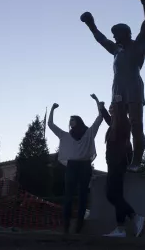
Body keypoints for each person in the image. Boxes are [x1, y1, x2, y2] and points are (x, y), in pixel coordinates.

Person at [80, 0, 145, 172]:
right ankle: (119, 160)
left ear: (125, 33)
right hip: (117, 91)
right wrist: (91, 24)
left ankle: (136, 161)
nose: (113, 36)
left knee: (136, 125)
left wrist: (144, 0)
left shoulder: (138, 44)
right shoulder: (116, 50)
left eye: (116, 33)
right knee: (117, 127)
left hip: (134, 88)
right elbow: (101, 38)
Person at [48, 98, 103, 235]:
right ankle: (66, 225)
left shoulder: (89, 133)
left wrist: (97, 101)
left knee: (83, 195)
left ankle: (79, 224)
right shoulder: (65, 135)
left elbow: (100, 118)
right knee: (68, 196)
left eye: (72, 120)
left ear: (78, 121)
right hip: (72, 166)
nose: (70, 122)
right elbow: (50, 124)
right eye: (70, 120)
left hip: (84, 166)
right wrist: (52, 109)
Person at [94, 97, 145, 238]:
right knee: (116, 196)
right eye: (110, 108)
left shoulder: (124, 122)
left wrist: (118, 99)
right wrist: (100, 106)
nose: (111, 109)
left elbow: (117, 114)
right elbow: (107, 118)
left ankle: (135, 217)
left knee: (112, 194)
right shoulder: (115, 124)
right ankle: (121, 228)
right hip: (113, 163)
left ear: (119, 109)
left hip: (118, 163)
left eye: (113, 107)